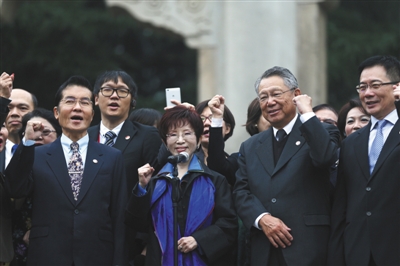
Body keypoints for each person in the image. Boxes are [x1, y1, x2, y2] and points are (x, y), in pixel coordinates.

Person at [4, 76, 128, 265]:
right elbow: (14, 188)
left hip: (97, 256)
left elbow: (119, 218)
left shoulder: (112, 157)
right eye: (69, 101)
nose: (77, 107)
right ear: (56, 112)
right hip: (47, 256)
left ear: (92, 114)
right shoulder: (37, 154)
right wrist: (27, 143)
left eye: (84, 102)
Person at [233, 66, 340, 265]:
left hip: (309, 249)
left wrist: (307, 114)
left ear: (296, 95)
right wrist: (262, 218)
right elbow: (241, 191)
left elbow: (325, 158)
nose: (269, 102)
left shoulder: (322, 132)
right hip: (264, 250)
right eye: (263, 97)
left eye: (276, 94)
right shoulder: (251, 146)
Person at [125, 105, 238, 265]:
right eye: (172, 135)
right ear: (164, 141)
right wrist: (142, 187)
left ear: (199, 139)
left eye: (187, 133)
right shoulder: (155, 180)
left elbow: (229, 225)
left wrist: (198, 240)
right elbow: (136, 224)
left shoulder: (214, 180)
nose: (180, 140)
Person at [328, 55, 400, 265]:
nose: (368, 93)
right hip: (357, 252)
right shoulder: (351, 143)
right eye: (362, 87)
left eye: (375, 85)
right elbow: (342, 206)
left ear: (396, 87)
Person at [88, 70, 162, 263]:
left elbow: (154, 189)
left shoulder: (146, 136)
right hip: (85, 233)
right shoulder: (83, 137)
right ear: (96, 99)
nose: (114, 95)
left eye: (122, 91)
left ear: (133, 101)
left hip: (128, 236)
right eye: (107, 90)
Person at [10, 108, 62, 266]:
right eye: (32, 132)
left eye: (45, 132)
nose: (38, 136)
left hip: (57, 246)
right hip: (16, 247)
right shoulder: (16, 167)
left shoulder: (69, 167)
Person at [0, 88, 37, 171]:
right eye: (8, 108)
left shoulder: (46, 150)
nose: (14, 113)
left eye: (23, 108)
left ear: (35, 112)